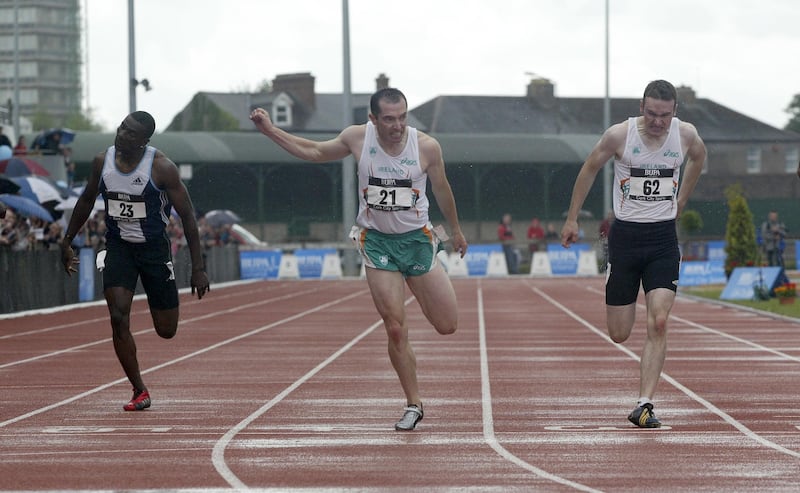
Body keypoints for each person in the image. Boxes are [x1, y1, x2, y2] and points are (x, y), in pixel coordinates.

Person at [250, 88, 468, 431]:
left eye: (402, 117)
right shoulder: (357, 138)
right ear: (373, 119)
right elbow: (314, 151)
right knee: (395, 328)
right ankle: (413, 403)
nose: (397, 126)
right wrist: (269, 131)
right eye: (388, 119)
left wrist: (455, 231)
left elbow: (442, 188)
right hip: (376, 241)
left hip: (417, 241)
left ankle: (426, 279)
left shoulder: (426, 146)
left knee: (447, 324)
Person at [560, 80, 706, 428]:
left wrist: (682, 199)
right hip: (625, 239)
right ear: (642, 107)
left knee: (658, 320)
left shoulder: (685, 135)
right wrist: (572, 218)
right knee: (619, 333)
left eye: (665, 116)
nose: (658, 122)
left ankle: (644, 404)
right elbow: (589, 168)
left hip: (662, 240)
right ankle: (617, 287)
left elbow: (699, 159)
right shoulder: (619, 135)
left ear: (674, 112)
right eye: (652, 114)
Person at [60, 111, 210, 411]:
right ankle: (139, 389)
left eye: (130, 132)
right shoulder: (102, 162)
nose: (121, 133)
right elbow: (87, 199)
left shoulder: (162, 168)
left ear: (144, 141)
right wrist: (67, 240)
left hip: (154, 249)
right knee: (117, 316)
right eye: (122, 127)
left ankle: (157, 308)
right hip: (119, 247)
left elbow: (189, 218)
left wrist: (198, 268)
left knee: (166, 330)